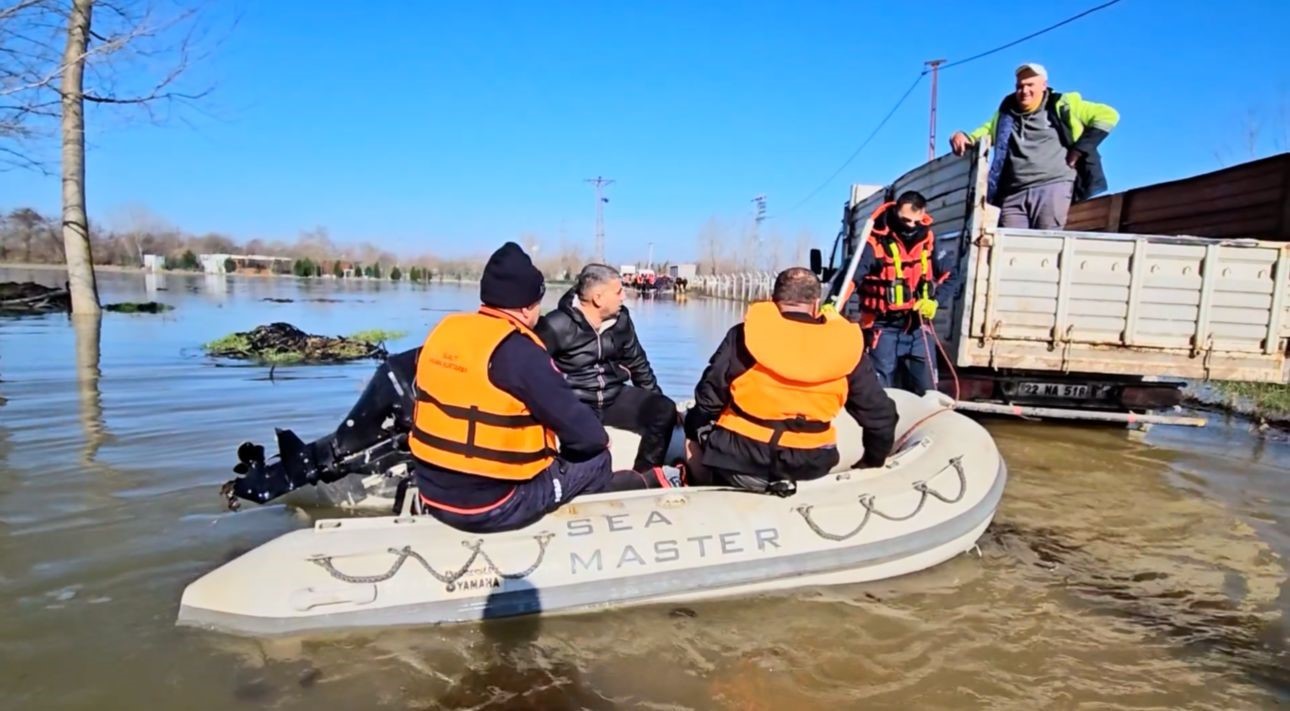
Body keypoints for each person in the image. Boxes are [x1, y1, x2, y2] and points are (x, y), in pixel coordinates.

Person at [410, 243, 678, 535]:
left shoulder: (446, 332)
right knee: (599, 457)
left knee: (657, 410)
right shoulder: (526, 347)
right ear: (527, 307)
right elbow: (586, 435)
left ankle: (643, 476)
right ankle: (598, 525)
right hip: (495, 504)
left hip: (431, 491)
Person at [682, 267, 897, 496]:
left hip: (741, 462)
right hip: (811, 465)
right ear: (816, 304)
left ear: (774, 301)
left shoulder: (744, 335)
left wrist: (694, 425)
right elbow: (881, 417)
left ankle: (700, 492)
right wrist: (871, 463)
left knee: (691, 433)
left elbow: (708, 398)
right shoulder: (845, 346)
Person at [535, 263, 678, 471]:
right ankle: (570, 477)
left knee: (664, 410)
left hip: (614, 396)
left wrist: (655, 398)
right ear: (598, 298)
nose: (624, 297)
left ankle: (644, 476)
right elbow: (532, 372)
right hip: (577, 402)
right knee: (589, 442)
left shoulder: (622, 320)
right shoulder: (556, 325)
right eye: (618, 291)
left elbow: (638, 363)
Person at [949, 62, 1119, 230]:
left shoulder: (1063, 105)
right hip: (1013, 191)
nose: (1024, 91)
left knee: (1043, 245)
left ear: (1044, 86)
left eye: (1030, 85)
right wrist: (963, 135)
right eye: (1020, 86)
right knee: (1009, 246)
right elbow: (985, 132)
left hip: (1052, 185)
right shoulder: (1006, 114)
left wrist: (1080, 148)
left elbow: (1108, 115)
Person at [844, 190, 959, 396]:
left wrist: (934, 301)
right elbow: (851, 279)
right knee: (879, 394)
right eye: (906, 220)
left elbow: (952, 275)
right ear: (896, 212)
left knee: (929, 392)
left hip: (917, 328)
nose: (911, 226)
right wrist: (832, 307)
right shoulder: (875, 243)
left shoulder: (929, 241)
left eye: (917, 221)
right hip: (882, 327)